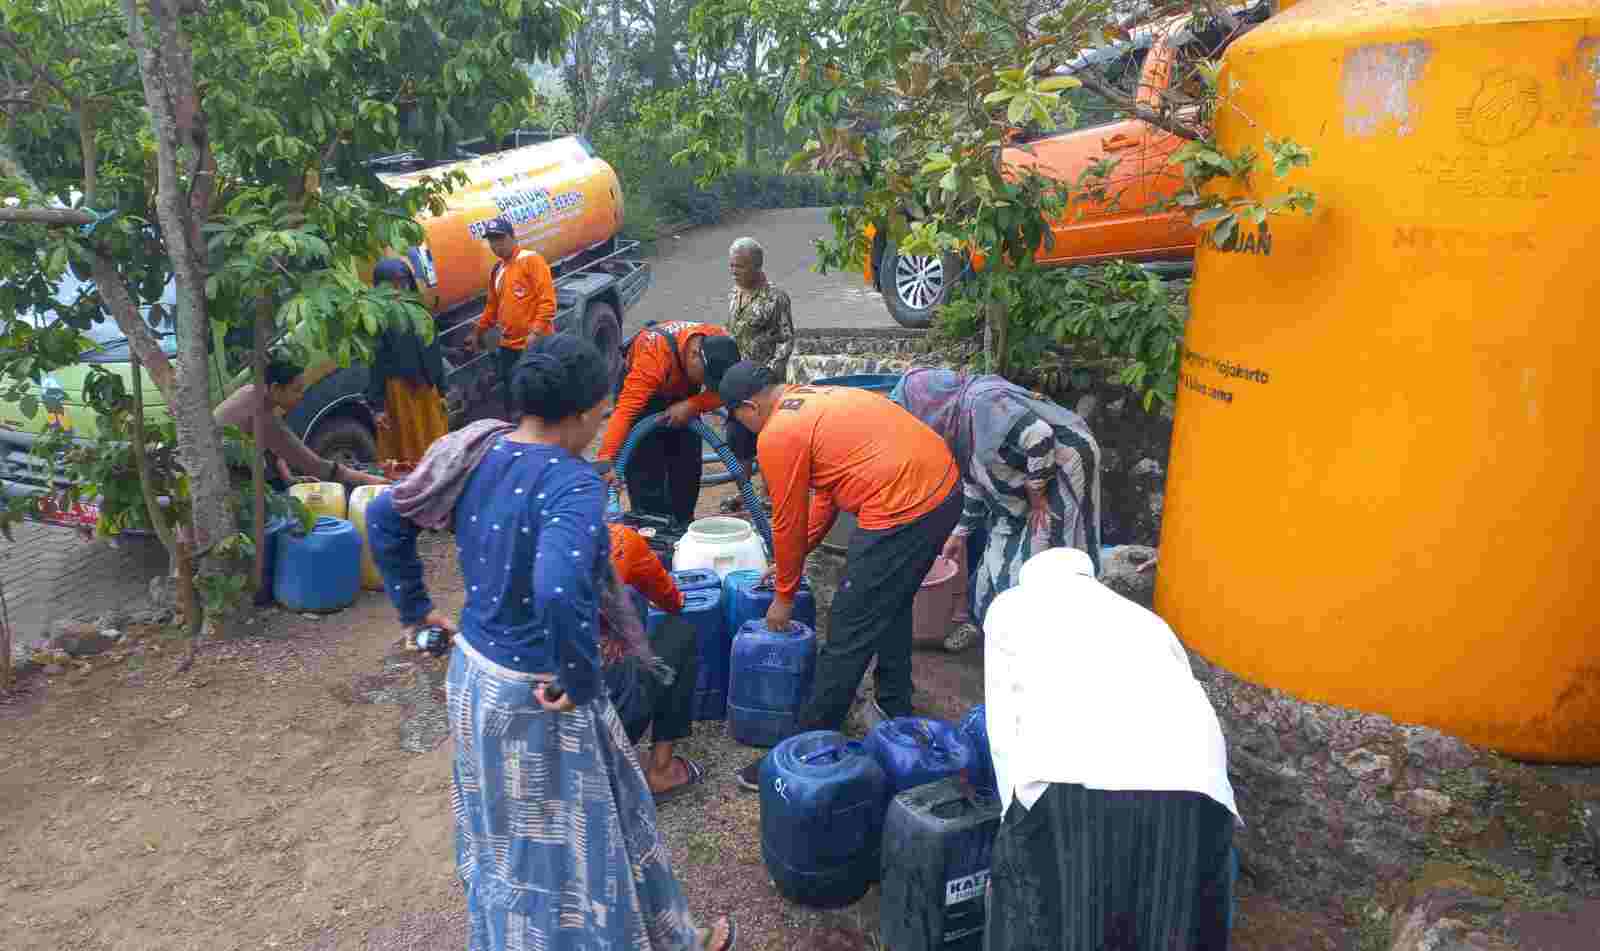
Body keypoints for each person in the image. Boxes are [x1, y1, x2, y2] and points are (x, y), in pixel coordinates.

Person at [367, 334, 736, 951]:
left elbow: (385, 514)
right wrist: (580, 678)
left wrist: (416, 611)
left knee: (581, 820)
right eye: (602, 408)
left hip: (474, 678)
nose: (602, 418)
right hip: (535, 699)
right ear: (583, 412)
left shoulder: (478, 448)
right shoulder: (571, 484)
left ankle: (673, 937)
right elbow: (561, 589)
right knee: (559, 860)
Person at [717, 363, 962, 791]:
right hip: (943, 490)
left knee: (849, 624)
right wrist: (792, 561)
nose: (743, 428)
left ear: (749, 406)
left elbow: (787, 521)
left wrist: (784, 594)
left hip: (905, 506)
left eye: (737, 418)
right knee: (891, 599)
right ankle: (894, 705)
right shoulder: (809, 399)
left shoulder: (778, 433)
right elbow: (826, 496)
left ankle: (805, 746)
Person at [982, 547, 1238, 951]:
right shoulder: (1145, 619)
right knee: (1172, 924)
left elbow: (1003, 726)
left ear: (1027, 579)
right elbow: (1186, 702)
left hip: (1073, 778)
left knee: (1066, 923)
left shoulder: (1010, 607)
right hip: (1196, 782)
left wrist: (1012, 818)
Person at [893, 367, 1102, 653]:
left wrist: (1037, 492)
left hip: (1065, 461)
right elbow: (975, 478)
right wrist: (960, 534)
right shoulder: (954, 424)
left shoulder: (982, 403)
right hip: (1027, 469)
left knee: (1047, 547)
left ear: (927, 402)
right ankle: (987, 622)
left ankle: (1048, 637)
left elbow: (1039, 436)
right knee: (1002, 539)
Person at [596, 321, 741, 525]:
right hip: (646, 399)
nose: (709, 386)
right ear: (693, 356)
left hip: (683, 395)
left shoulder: (718, 341)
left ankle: (683, 524)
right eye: (706, 380)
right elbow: (625, 412)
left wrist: (693, 404)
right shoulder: (653, 356)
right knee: (646, 472)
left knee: (687, 469)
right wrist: (606, 460)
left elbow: (727, 391)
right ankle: (652, 529)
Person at [604, 521, 705, 802]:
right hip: (607, 719)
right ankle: (660, 772)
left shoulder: (512, 552)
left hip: (543, 731)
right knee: (678, 633)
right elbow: (671, 601)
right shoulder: (619, 540)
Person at [213, 355, 389, 488]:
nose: (301, 397)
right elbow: (316, 466)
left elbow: (275, 448)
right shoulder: (260, 412)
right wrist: (371, 480)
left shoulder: (251, 392)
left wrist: (289, 478)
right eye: (296, 390)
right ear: (275, 388)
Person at [720, 237, 793, 512]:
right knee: (737, 440)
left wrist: (771, 371)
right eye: (732, 265)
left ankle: (768, 496)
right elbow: (731, 333)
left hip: (764, 387)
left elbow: (787, 339)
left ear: (756, 266)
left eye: (739, 266)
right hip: (736, 383)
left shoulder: (776, 297)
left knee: (768, 442)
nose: (733, 271)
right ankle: (745, 495)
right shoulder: (734, 293)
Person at [469, 217, 557, 415]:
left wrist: (534, 334)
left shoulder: (530, 260)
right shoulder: (497, 270)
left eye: (500, 238)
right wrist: (478, 333)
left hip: (536, 344)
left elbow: (548, 301)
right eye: (491, 240)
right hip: (509, 345)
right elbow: (491, 308)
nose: (496, 245)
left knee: (539, 396)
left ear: (512, 237)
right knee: (513, 397)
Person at [368, 258, 449, 466]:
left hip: (426, 391)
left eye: (402, 282)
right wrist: (377, 406)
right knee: (407, 450)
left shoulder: (420, 310)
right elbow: (376, 362)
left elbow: (434, 352)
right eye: (392, 284)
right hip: (399, 394)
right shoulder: (379, 317)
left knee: (435, 446)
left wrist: (441, 391)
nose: (398, 288)